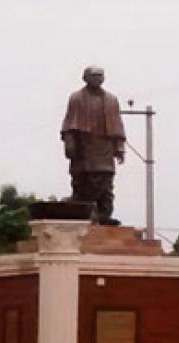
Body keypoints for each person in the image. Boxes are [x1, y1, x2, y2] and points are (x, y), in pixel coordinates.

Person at [61, 65, 126, 225]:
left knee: (106, 181)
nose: (98, 79)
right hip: (84, 146)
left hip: (105, 146)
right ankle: (83, 211)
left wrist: (119, 147)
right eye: (94, 75)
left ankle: (105, 214)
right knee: (83, 179)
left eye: (100, 76)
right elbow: (69, 124)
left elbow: (117, 125)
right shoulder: (76, 98)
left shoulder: (111, 99)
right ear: (86, 78)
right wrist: (70, 143)